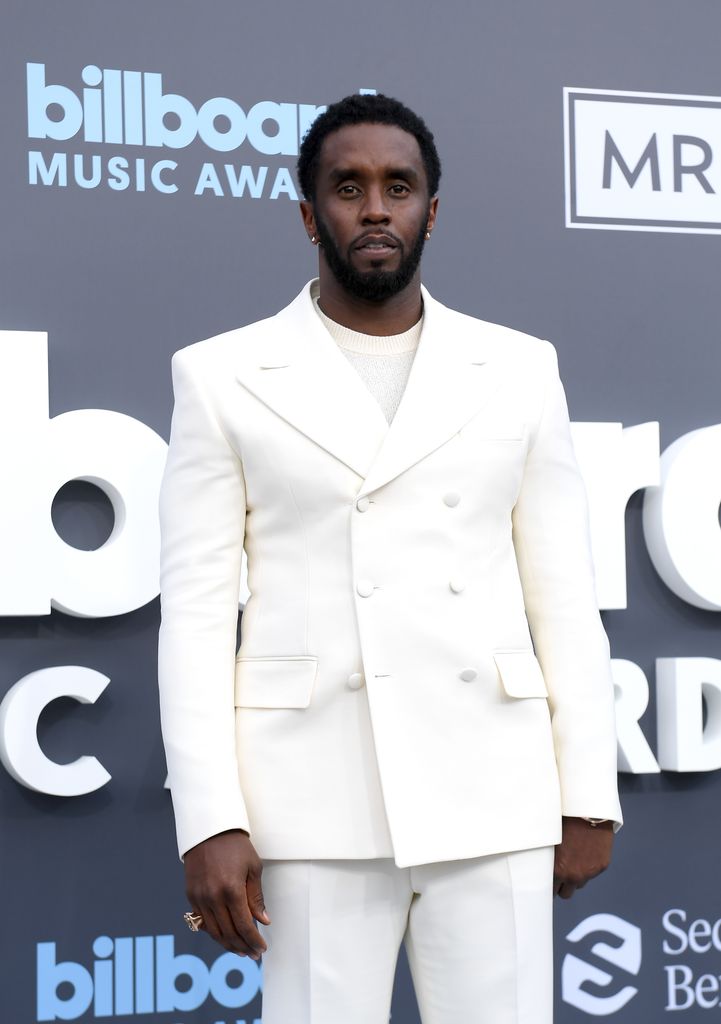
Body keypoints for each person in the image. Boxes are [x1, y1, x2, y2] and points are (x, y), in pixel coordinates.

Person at [157, 93, 622, 1024]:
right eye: (348, 187)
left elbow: (563, 597)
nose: (374, 208)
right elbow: (198, 613)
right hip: (313, 799)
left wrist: (587, 793)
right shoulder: (220, 375)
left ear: (430, 212)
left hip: (491, 789)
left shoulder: (520, 367)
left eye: (397, 187)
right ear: (307, 214)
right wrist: (211, 816)